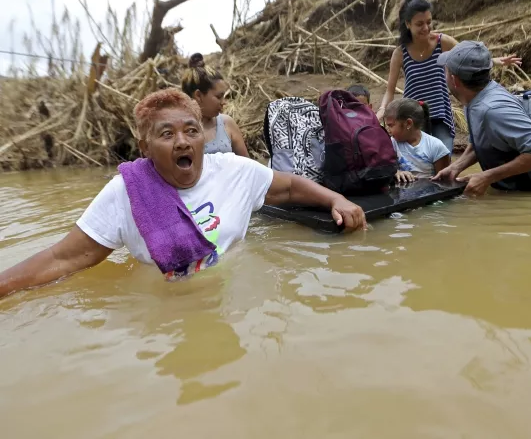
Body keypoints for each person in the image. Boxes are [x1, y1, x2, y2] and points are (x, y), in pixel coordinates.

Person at [0, 89, 367, 299]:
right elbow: (62, 259)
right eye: (166, 134)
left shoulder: (232, 170)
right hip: (167, 305)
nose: (182, 141)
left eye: (191, 131)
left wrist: (336, 199)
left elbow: (287, 187)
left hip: (236, 288)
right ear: (144, 147)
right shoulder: (126, 194)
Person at [375, 0, 522, 152]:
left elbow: (469, 58)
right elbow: (390, 91)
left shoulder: (442, 42)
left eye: (429, 22)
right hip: (413, 117)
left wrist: (495, 61)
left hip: (441, 113)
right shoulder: (400, 53)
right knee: (419, 163)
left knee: (443, 158)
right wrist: (382, 110)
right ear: (408, 24)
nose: (426, 28)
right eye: (419, 24)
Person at [432, 40, 531, 197]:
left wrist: (487, 176)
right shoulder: (474, 99)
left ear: (454, 80)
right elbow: (485, 140)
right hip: (514, 192)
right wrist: (456, 166)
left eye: (445, 71)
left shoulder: (493, 111)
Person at [181, 53, 249, 157]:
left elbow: (248, 166)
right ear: (198, 96)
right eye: (218, 97)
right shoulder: (180, 131)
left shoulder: (227, 123)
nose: (223, 102)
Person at [384, 98, 450, 183]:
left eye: (391, 125)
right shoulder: (391, 143)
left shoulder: (436, 147)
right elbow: (385, 169)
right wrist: (396, 172)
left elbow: (445, 182)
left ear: (408, 123)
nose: (387, 129)